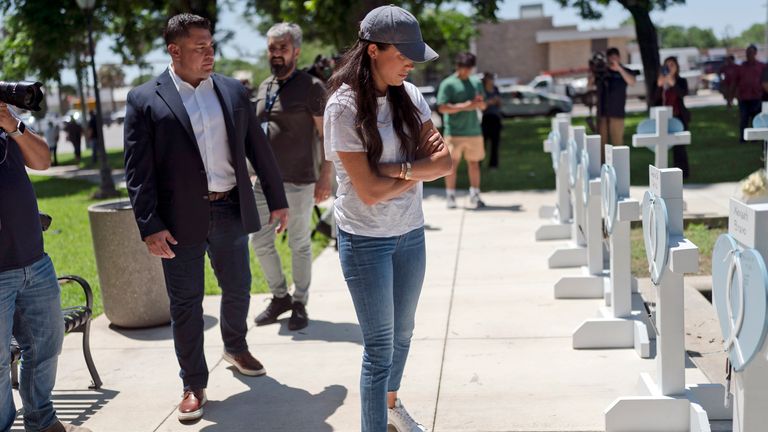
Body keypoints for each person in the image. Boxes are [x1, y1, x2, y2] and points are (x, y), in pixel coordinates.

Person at [123, 13, 289, 422]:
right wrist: (149, 225)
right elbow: (137, 170)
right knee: (186, 303)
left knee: (238, 287)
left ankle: (235, 346)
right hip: (178, 221)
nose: (209, 54)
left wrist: (278, 199)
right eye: (199, 48)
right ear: (174, 51)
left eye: (211, 46)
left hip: (231, 206)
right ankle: (193, 383)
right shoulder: (145, 98)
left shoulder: (233, 91)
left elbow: (258, 150)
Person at [324, 6, 451, 431]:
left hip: (410, 234)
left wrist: (397, 171)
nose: (411, 63)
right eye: (404, 55)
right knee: (379, 347)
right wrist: (415, 172)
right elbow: (370, 193)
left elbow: (445, 161)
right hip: (364, 240)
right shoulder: (342, 108)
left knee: (404, 332)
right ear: (374, 50)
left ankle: (390, 402)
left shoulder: (410, 95)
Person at [0, 104, 92, 432]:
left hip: (34, 261)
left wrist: (12, 124)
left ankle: (42, 420)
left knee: (45, 345)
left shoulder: (4, 122)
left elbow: (42, 160)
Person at [250, 22, 332, 331]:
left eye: (282, 48)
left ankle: (300, 302)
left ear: (296, 51)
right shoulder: (264, 86)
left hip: (299, 180)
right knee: (259, 240)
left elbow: (327, 137)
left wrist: (325, 176)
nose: (276, 54)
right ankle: (279, 296)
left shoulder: (312, 87)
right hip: (263, 182)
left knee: (299, 243)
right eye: (272, 48)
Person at [437, 52, 486, 209]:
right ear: (458, 66)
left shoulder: (476, 82)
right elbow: (442, 107)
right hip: (454, 132)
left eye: (469, 69)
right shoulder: (448, 84)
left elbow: (483, 105)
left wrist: (479, 104)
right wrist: (465, 106)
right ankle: (450, 196)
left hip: (474, 131)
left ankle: (475, 194)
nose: (467, 72)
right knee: (451, 165)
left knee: (474, 164)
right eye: (464, 68)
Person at [591, 47, 638, 156]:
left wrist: (619, 69)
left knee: (618, 143)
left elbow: (632, 82)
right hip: (602, 113)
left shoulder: (625, 71)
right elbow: (590, 85)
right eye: (610, 57)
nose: (612, 59)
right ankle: (602, 167)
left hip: (617, 113)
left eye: (614, 56)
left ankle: (619, 168)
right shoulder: (602, 72)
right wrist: (594, 70)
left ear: (619, 57)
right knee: (601, 145)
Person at [655, 56, 691, 178]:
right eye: (667, 65)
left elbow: (683, 93)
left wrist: (673, 82)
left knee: (679, 147)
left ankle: (682, 172)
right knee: (661, 147)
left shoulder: (681, 81)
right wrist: (659, 85)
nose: (669, 68)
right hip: (662, 118)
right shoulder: (660, 81)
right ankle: (662, 172)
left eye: (672, 65)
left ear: (677, 68)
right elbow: (653, 99)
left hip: (678, 116)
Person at [735, 45, 765, 142]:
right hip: (744, 97)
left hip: (756, 96)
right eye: (747, 53)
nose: (748, 55)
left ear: (755, 53)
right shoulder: (741, 67)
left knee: (756, 118)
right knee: (744, 117)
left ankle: (755, 138)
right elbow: (736, 82)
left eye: (751, 52)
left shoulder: (761, 66)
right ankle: (743, 138)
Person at [480, 72, 503, 169]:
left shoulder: (496, 89)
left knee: (495, 143)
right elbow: (481, 106)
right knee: (482, 143)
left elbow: (500, 104)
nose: (492, 81)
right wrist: (490, 102)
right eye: (490, 79)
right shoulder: (482, 90)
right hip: (485, 118)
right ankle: (478, 163)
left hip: (496, 118)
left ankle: (493, 165)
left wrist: (497, 102)